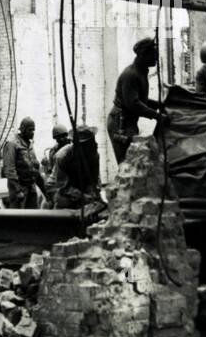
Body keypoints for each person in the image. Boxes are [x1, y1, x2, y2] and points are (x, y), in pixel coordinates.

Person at [107, 37, 164, 165]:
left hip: (128, 122)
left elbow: (140, 99)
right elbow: (133, 104)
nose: (156, 58)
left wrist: (158, 105)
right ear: (144, 55)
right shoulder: (131, 75)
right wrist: (156, 115)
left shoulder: (141, 72)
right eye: (153, 54)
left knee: (133, 161)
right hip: (120, 123)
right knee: (127, 164)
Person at [1, 117, 46, 207]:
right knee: (19, 218)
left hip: (31, 188)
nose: (32, 132)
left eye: (33, 130)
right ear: (23, 130)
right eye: (30, 130)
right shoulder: (12, 144)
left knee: (33, 218)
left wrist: (45, 191)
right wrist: (17, 191)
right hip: (19, 189)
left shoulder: (30, 145)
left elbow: (35, 169)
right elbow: (10, 170)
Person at [53, 126, 102, 208]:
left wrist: (92, 194)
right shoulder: (62, 157)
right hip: (61, 187)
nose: (95, 144)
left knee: (96, 203)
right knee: (63, 202)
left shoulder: (94, 155)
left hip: (81, 186)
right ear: (79, 146)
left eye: (93, 141)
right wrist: (82, 196)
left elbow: (93, 181)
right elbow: (62, 187)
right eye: (89, 143)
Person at [41, 121, 71, 204]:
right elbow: (52, 171)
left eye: (63, 136)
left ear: (66, 135)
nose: (61, 139)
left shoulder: (73, 147)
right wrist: (46, 166)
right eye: (58, 137)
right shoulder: (53, 152)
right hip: (59, 181)